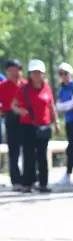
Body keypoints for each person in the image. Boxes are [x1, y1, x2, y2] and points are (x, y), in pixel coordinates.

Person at [12, 59, 59, 193]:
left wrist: (56, 122)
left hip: (44, 126)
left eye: (39, 72)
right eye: (34, 72)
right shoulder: (24, 89)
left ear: (43, 73)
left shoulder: (47, 88)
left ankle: (43, 183)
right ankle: (28, 184)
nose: (36, 75)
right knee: (28, 155)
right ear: (30, 74)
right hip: (28, 126)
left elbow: (51, 106)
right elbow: (13, 105)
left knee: (42, 156)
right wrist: (20, 111)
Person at [55, 62, 73, 187]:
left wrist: (65, 105)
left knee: (72, 147)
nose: (63, 76)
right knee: (72, 148)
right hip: (69, 121)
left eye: (65, 73)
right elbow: (59, 106)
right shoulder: (61, 89)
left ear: (70, 74)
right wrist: (66, 105)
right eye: (61, 73)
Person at [0, 59, 26, 191]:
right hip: (10, 118)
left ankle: (28, 179)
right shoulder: (2, 86)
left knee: (28, 150)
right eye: (10, 71)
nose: (14, 73)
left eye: (16, 70)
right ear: (6, 72)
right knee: (14, 151)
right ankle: (16, 181)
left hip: (26, 118)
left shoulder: (26, 85)